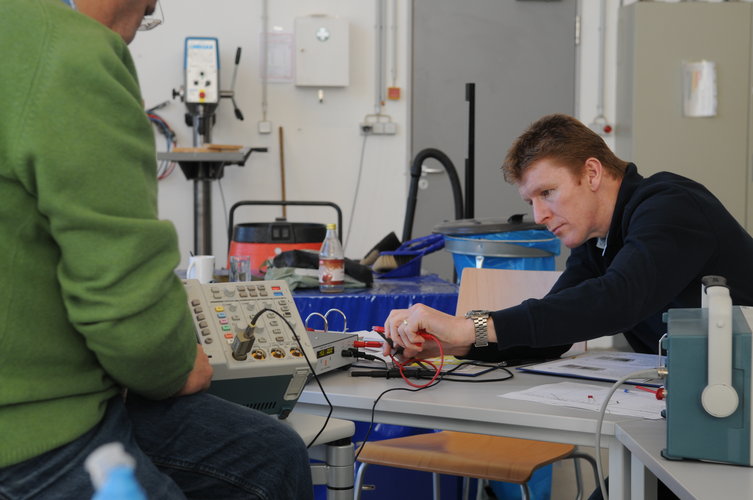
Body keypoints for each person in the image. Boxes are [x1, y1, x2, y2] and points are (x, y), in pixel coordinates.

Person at [0, 1, 313, 499]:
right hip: (31, 435)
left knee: (267, 453)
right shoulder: (67, 51)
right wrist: (174, 364)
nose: (135, 32)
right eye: (147, 13)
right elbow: (122, 297)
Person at [383, 113, 753, 362]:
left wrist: (468, 325)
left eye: (547, 193)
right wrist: (452, 345)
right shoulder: (597, 240)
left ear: (592, 172)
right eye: (531, 201)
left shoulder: (670, 206)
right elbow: (553, 332)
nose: (540, 216)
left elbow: (619, 299)